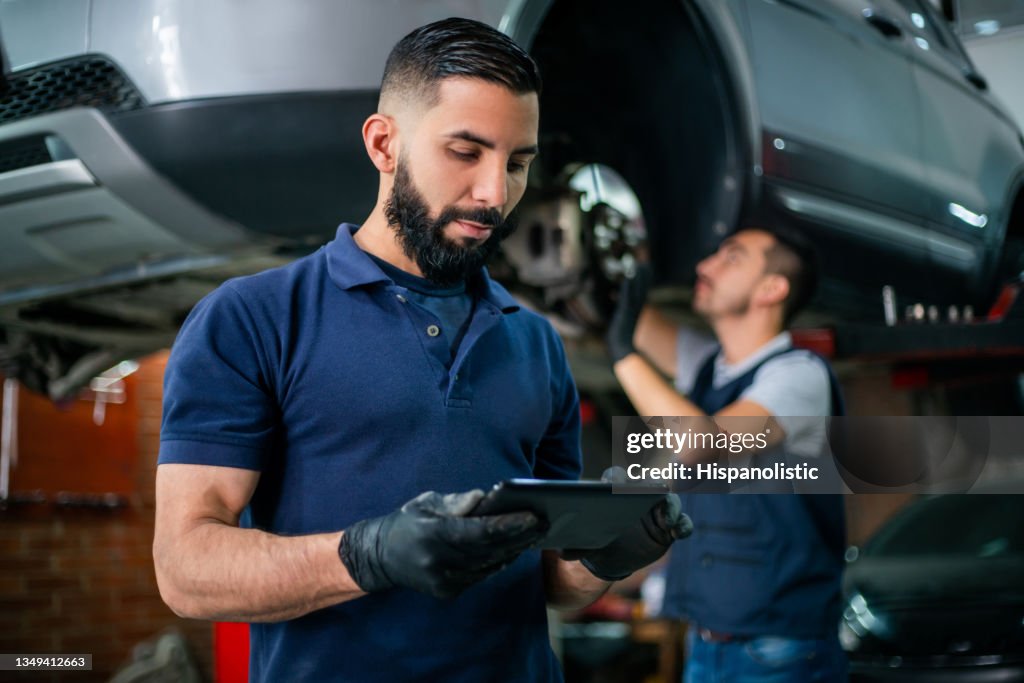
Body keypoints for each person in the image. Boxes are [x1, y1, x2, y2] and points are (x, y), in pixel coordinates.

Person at [152, 18, 689, 683]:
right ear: (384, 143)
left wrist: (607, 554)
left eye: (518, 163)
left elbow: (551, 578)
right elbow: (186, 570)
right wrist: (367, 555)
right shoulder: (254, 318)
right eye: (466, 151)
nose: (496, 192)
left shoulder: (535, 342)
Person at [607, 223, 848, 681]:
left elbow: (703, 443)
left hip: (780, 654)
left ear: (771, 288)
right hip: (706, 644)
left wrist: (623, 355)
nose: (705, 265)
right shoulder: (708, 368)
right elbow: (625, 319)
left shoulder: (799, 376)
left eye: (731, 256)